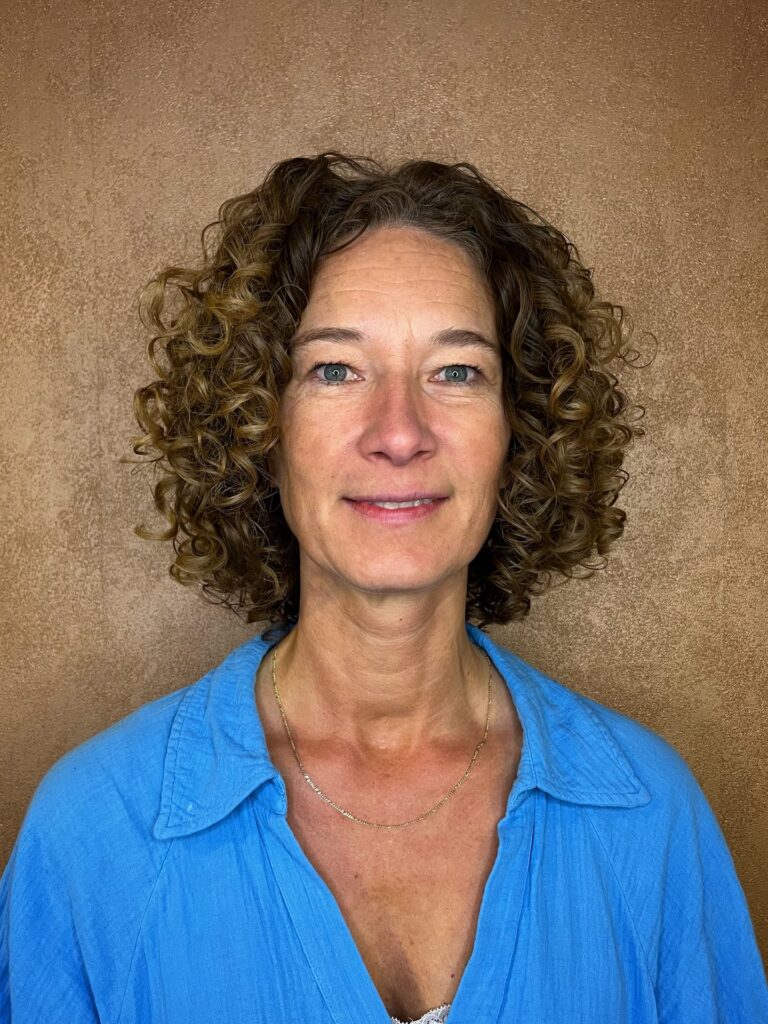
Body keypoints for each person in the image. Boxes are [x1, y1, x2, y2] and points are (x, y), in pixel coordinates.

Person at [1, 152, 766, 1024]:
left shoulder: (653, 820)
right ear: (258, 426)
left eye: (456, 372)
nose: (399, 434)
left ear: (519, 431)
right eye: (335, 369)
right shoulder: (90, 838)